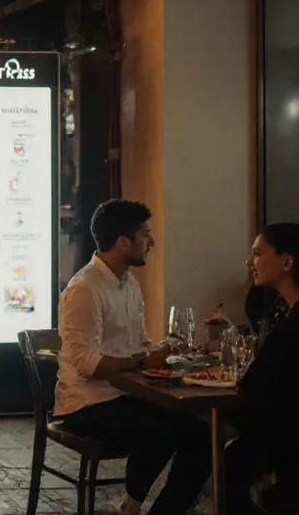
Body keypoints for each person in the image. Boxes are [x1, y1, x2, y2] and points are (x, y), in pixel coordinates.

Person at [57, 200, 210, 515]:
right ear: (123, 242)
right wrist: (143, 362)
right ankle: (132, 505)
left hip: (124, 394)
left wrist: (171, 350)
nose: (152, 243)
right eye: (146, 235)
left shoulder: (128, 284)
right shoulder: (85, 288)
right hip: (86, 402)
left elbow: (139, 344)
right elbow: (87, 364)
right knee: (159, 433)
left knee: (201, 432)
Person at [224, 223, 299, 513]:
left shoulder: (290, 328)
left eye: (257, 253)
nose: (248, 262)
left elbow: (253, 392)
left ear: (287, 262)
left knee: (229, 455)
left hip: (289, 439)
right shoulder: (282, 313)